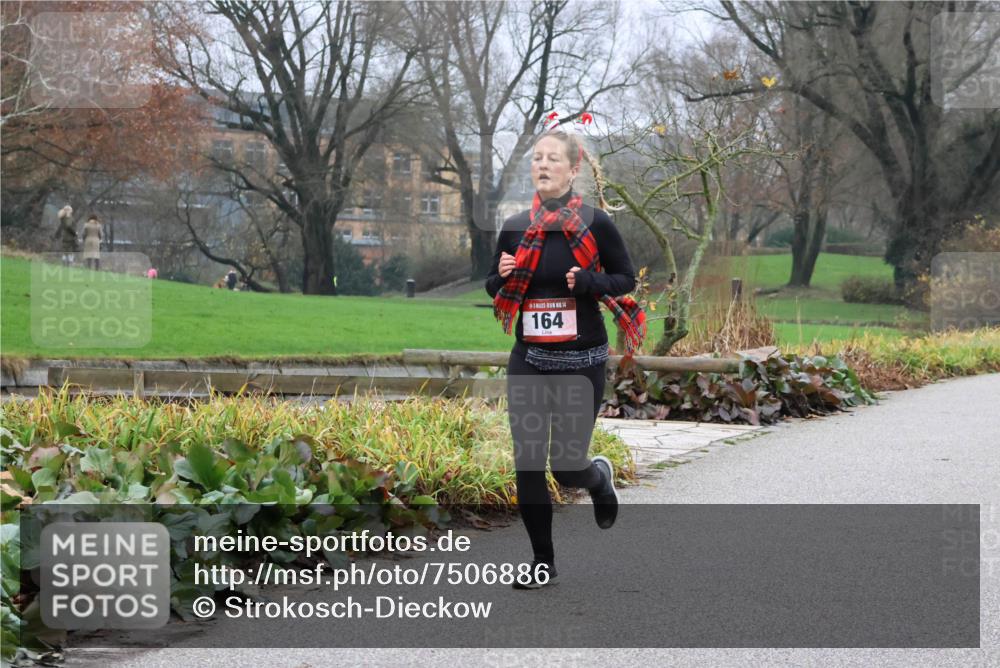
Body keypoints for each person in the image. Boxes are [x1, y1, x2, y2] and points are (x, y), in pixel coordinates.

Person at [485, 126, 646, 589]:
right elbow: (494, 290)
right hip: (529, 358)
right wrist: (501, 275)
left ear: (574, 169)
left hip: (581, 360)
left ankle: (596, 478)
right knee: (529, 461)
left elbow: (625, 280)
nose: (542, 165)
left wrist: (591, 282)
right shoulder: (515, 227)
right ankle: (542, 562)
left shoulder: (597, 224)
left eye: (553, 159)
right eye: (537, 158)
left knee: (566, 465)